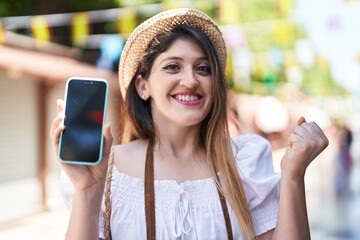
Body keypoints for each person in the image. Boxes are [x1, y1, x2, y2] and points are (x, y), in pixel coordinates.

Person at [50, 8, 329, 240]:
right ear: (143, 86)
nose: (191, 80)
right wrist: (88, 191)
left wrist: (293, 175)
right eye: (172, 66)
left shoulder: (244, 161)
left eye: (203, 68)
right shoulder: (109, 172)